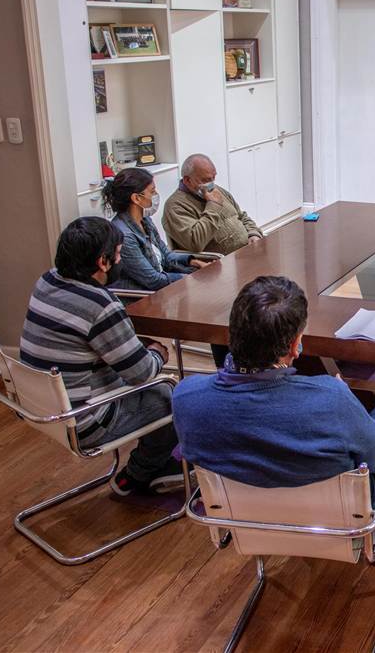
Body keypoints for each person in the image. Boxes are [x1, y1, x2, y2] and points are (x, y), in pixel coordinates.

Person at [173, 276, 375, 561]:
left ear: (232, 336)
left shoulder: (186, 398)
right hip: (341, 527)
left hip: (244, 523)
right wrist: (347, 404)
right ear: (295, 346)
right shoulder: (330, 399)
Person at [20, 217, 183, 496]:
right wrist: (157, 352)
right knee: (171, 395)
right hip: (84, 421)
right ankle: (138, 474)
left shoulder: (46, 280)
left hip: (40, 409)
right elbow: (142, 372)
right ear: (102, 262)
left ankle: (146, 467)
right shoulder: (100, 306)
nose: (121, 260)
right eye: (118, 254)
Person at [103, 167, 214, 291]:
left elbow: (166, 256)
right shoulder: (125, 235)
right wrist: (192, 278)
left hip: (164, 286)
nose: (155, 196)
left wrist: (194, 262)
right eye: (152, 191)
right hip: (144, 297)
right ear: (136, 198)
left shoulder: (145, 221)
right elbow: (152, 280)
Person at [162, 153, 263, 255]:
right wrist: (213, 206)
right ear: (187, 180)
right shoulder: (175, 206)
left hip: (246, 252)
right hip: (218, 263)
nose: (211, 183)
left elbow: (242, 216)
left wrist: (253, 234)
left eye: (213, 178)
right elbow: (195, 242)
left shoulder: (217, 190)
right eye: (205, 180)